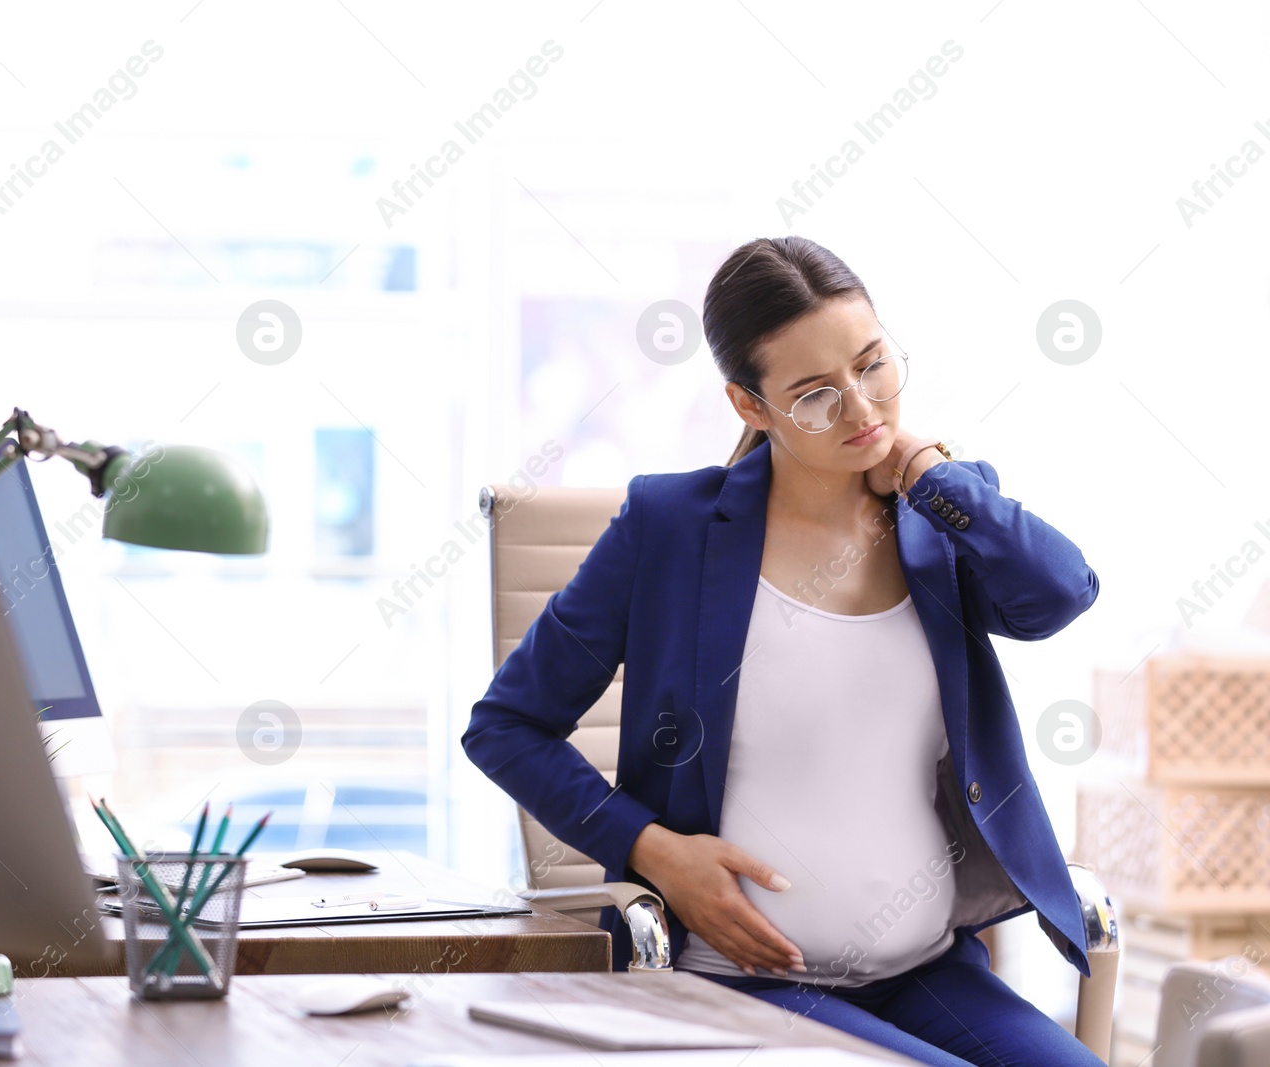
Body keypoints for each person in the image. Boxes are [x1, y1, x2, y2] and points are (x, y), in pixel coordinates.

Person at [461, 235, 1105, 1066]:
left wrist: (926, 472)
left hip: (926, 970)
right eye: (815, 396)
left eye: (872, 365)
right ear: (749, 405)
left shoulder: (941, 514)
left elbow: (1060, 593)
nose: (863, 410)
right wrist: (654, 848)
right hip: (742, 980)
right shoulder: (669, 529)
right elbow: (504, 725)